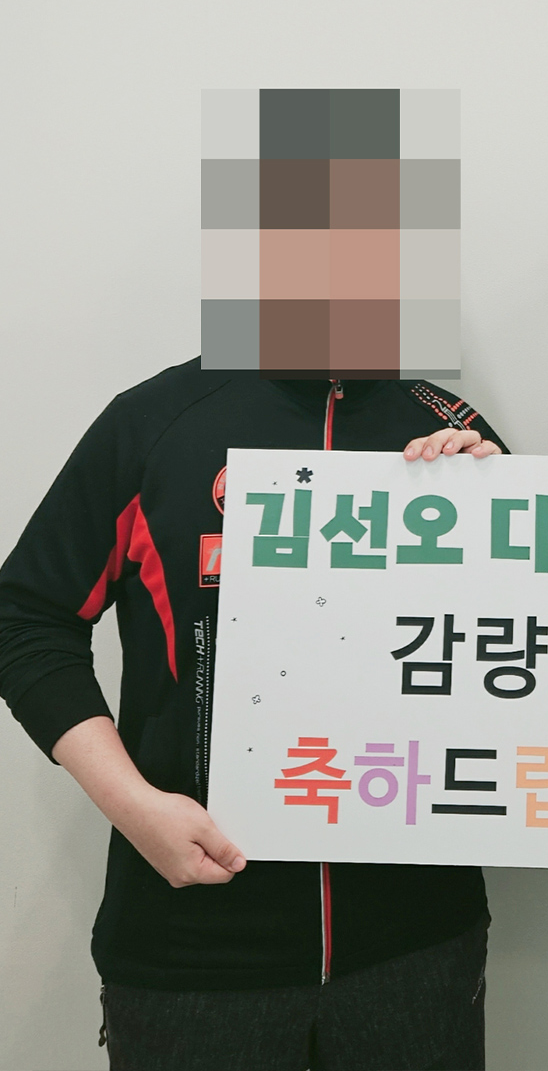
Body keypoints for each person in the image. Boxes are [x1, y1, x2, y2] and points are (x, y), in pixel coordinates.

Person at [0, 364, 504, 1070]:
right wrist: (133, 804)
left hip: (418, 940)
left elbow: (527, 652)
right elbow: (28, 618)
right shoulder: (152, 422)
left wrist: (498, 501)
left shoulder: (447, 426)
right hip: (195, 943)